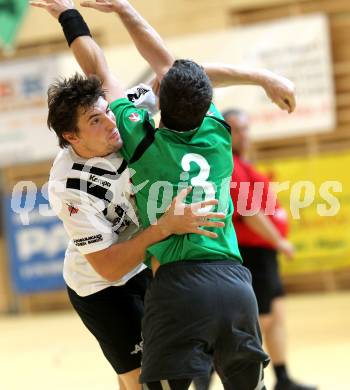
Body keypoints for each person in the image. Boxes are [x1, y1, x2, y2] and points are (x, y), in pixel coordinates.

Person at [30, 1, 296, 389]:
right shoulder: (67, 185)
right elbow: (107, 265)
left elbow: (143, 71)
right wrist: (165, 226)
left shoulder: (129, 121)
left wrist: (69, 15)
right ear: (71, 137)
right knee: (138, 380)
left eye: (107, 110)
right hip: (103, 283)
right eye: (94, 121)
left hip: (149, 265)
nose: (109, 123)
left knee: (175, 373)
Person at [225, 108, 317, 390]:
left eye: (245, 128)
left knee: (275, 317)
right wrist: (279, 240)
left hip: (265, 255)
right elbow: (249, 212)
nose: (243, 135)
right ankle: (212, 378)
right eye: (235, 129)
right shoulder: (229, 164)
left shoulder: (245, 164)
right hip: (251, 253)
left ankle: (283, 378)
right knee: (252, 324)